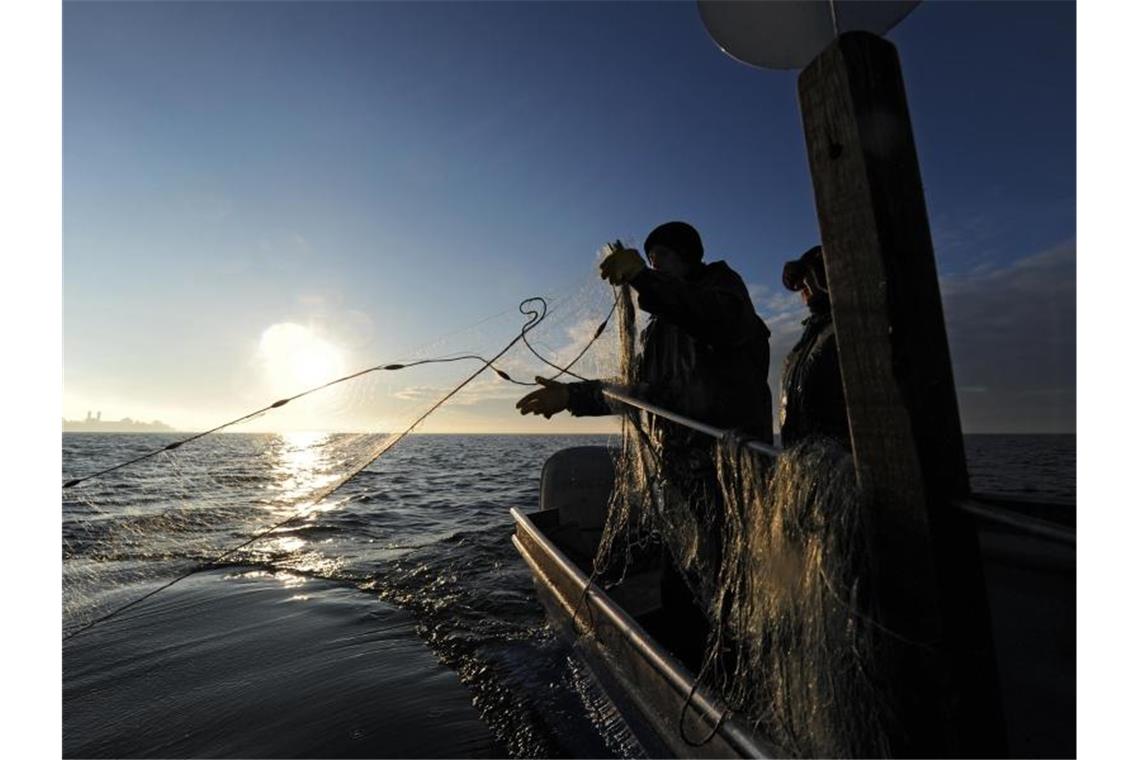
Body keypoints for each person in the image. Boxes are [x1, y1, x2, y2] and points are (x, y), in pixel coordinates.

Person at [516, 222, 772, 661]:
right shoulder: (658, 331)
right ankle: (687, 670)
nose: (652, 266)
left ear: (687, 255)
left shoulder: (723, 293)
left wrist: (642, 278)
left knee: (732, 587)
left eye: (660, 258)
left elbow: (718, 321)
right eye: (648, 260)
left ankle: (734, 670)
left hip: (729, 475)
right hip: (680, 476)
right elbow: (645, 397)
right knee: (682, 586)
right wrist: (572, 396)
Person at [779, 245, 850, 448]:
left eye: (811, 277)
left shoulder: (851, 327)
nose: (805, 288)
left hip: (842, 460)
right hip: (808, 460)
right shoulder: (807, 341)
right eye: (801, 285)